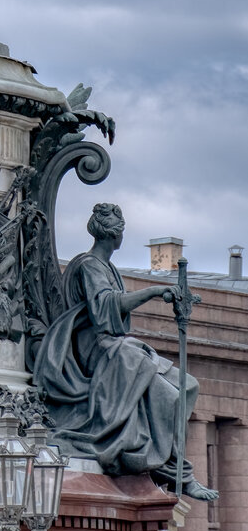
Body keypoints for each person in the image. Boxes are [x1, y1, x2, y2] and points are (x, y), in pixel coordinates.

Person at [33, 203, 216, 500]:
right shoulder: (90, 265)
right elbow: (106, 308)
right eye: (121, 231)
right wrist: (153, 291)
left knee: (188, 386)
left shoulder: (106, 267)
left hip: (117, 346)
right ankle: (177, 473)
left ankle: (177, 469)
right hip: (96, 350)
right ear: (114, 235)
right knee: (168, 393)